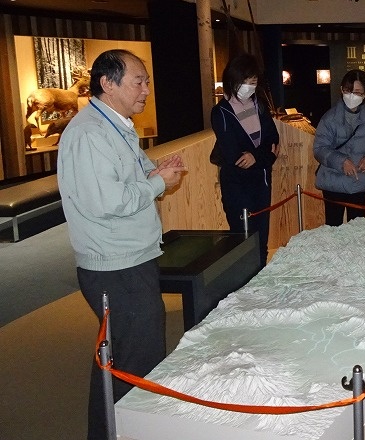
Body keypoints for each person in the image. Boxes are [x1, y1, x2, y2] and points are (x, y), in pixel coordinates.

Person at [57, 49, 187, 440]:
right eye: (138, 81)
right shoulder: (89, 133)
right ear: (108, 83)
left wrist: (156, 173)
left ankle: (114, 431)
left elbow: (127, 179)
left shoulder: (115, 125)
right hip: (115, 266)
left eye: (147, 81)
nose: (146, 90)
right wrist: (158, 182)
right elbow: (108, 202)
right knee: (133, 361)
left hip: (129, 259)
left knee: (123, 357)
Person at [210, 53, 280, 267]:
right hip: (237, 185)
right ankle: (245, 279)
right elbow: (234, 155)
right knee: (241, 238)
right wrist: (265, 156)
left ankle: (261, 273)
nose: (249, 86)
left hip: (261, 181)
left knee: (261, 236)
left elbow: (273, 141)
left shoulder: (260, 104)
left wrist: (256, 157)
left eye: (253, 81)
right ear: (233, 79)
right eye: (245, 81)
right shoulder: (221, 112)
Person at [314, 69, 365, 226]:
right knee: (334, 228)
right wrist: (342, 161)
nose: (352, 96)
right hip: (333, 182)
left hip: (359, 181)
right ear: (341, 90)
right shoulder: (329, 118)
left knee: (357, 229)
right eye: (348, 91)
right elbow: (320, 148)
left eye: (357, 92)